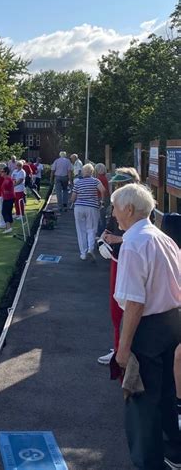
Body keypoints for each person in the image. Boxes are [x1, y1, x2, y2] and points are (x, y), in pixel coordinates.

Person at [112, 183, 181, 470]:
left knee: (140, 400)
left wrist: (123, 349)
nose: (113, 213)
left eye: (115, 207)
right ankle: (173, 451)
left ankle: (148, 463)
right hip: (172, 323)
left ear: (128, 209)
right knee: (166, 395)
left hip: (149, 327)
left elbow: (135, 302)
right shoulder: (163, 238)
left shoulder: (133, 242)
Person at [97, 168, 141, 365]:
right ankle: (117, 349)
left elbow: (139, 237)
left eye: (120, 185)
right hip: (116, 259)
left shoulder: (137, 208)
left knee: (129, 308)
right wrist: (102, 241)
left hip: (128, 261)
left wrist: (116, 239)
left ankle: (125, 353)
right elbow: (109, 225)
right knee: (115, 309)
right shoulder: (118, 204)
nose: (117, 189)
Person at [71, 163, 106, 261]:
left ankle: (83, 253)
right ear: (92, 172)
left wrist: (73, 201)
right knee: (91, 229)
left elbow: (73, 198)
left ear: (83, 172)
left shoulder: (78, 182)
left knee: (80, 230)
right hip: (92, 207)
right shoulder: (96, 181)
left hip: (79, 207)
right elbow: (103, 190)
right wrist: (102, 202)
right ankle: (91, 248)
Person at [94, 163, 110, 237]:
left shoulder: (99, 179)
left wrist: (101, 201)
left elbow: (101, 190)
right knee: (102, 216)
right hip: (105, 198)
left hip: (101, 198)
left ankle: (101, 233)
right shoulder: (104, 177)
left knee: (101, 217)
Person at [0, 166, 15, 234]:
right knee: (8, 212)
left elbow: (7, 188)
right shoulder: (6, 179)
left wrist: (5, 192)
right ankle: (9, 227)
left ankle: (8, 227)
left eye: (2, 171)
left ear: (6, 172)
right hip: (8, 198)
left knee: (4, 212)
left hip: (8, 198)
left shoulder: (7, 179)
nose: (1, 173)